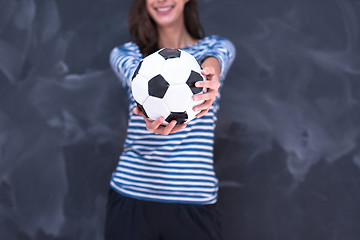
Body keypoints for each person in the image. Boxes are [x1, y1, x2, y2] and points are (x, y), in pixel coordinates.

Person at [105, 0, 235, 239]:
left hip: (195, 203)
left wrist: (208, 76)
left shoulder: (216, 47)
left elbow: (215, 60)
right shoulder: (127, 54)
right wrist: (152, 116)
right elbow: (134, 76)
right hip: (132, 196)